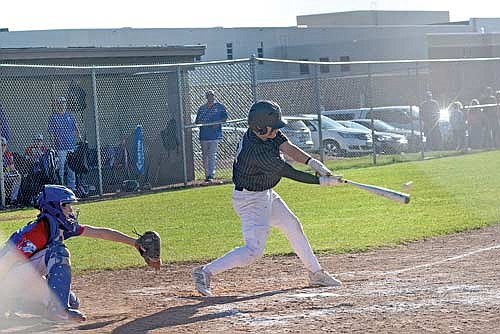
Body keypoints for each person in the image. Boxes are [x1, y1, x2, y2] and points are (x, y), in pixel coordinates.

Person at [191, 100, 344, 297]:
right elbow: (289, 172)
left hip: (265, 193)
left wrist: (314, 163)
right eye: (273, 128)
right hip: (250, 200)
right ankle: (204, 272)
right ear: (260, 128)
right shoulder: (254, 151)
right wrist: (322, 182)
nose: (276, 132)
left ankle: (316, 273)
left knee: (292, 225)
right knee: (253, 251)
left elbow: (288, 147)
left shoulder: (266, 133)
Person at [0, 185, 146, 322]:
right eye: (66, 205)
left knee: (72, 302)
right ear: (53, 207)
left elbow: (100, 233)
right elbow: (6, 261)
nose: (70, 210)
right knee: (58, 252)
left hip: (21, 279)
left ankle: (17, 306)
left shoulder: (58, 227)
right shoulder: (38, 230)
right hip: (8, 281)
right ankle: (57, 309)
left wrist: (135, 243)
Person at [47, 96, 80, 190]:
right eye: (60, 103)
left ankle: (72, 187)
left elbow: (76, 128)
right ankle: (61, 187)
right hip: (60, 147)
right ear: (57, 105)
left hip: (70, 145)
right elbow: (51, 132)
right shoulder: (53, 117)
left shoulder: (69, 115)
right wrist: (53, 145)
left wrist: (78, 136)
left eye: (64, 102)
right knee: (60, 168)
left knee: (71, 168)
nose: (62, 104)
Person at [195, 90, 228, 182]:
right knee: (205, 155)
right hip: (204, 135)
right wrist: (202, 123)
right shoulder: (202, 108)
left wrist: (217, 123)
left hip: (214, 135)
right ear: (206, 97)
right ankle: (207, 174)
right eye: (209, 96)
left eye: (212, 96)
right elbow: (197, 121)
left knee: (212, 154)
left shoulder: (219, 107)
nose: (210, 97)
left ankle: (211, 175)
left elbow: (224, 118)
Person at [2, 136, 21, 205]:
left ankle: (13, 199)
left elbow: (12, 168)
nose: (3, 147)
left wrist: (15, 172)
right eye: (1, 145)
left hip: (5, 174)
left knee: (18, 177)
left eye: (4, 145)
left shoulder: (8, 154)